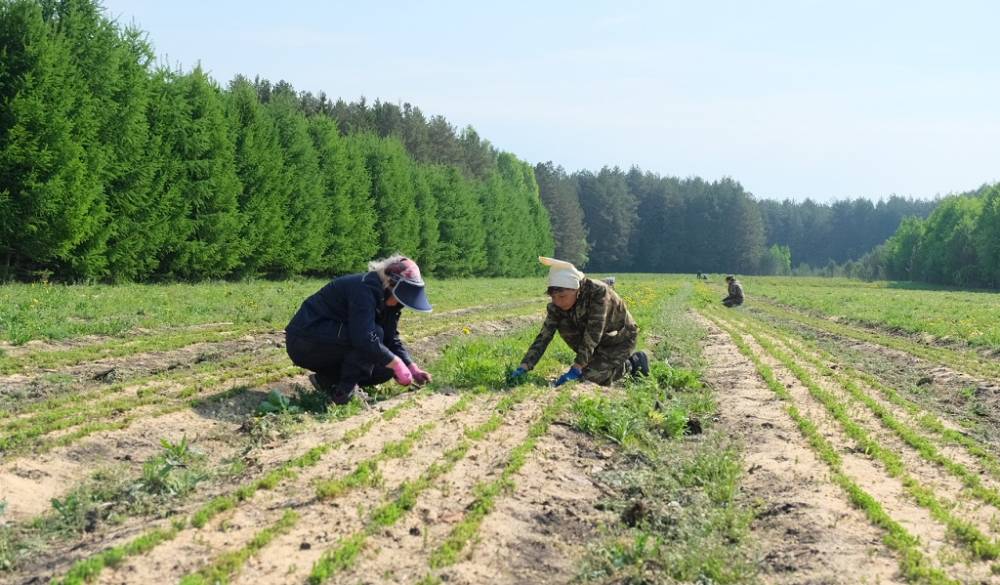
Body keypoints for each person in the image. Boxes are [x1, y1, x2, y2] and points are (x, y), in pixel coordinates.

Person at [284, 254, 433, 405]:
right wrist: (396, 363)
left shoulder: (391, 301)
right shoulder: (363, 288)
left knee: (385, 369)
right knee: (373, 339)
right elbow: (364, 337)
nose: (402, 302)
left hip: (331, 340)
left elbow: (391, 339)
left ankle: (327, 381)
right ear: (390, 282)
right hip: (305, 339)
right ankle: (343, 394)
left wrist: (410, 366)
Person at [508, 257, 649, 387]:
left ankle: (632, 363)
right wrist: (524, 366)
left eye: (562, 296)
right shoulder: (556, 307)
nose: (557, 301)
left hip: (620, 339)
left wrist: (577, 368)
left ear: (576, 289)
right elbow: (544, 337)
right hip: (597, 342)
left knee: (589, 378)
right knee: (563, 325)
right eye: (553, 297)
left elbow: (594, 330)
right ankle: (594, 362)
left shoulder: (598, 293)